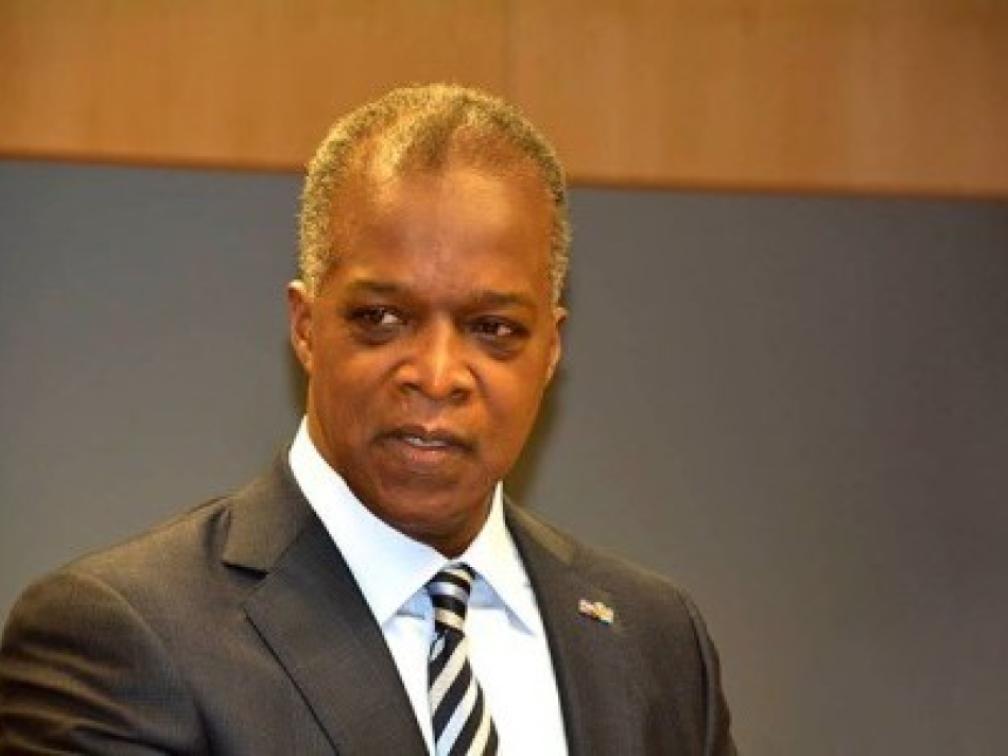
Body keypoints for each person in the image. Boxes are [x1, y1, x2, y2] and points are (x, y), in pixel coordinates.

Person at [0, 84, 735, 755]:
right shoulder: (123, 637)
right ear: (306, 327)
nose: (437, 375)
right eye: (382, 318)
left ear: (551, 350)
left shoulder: (655, 639)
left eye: (494, 328)